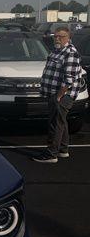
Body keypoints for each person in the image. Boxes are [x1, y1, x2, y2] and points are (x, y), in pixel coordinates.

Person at [33, 26, 83, 164]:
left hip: (62, 95)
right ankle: (63, 149)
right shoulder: (56, 51)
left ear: (68, 38)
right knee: (61, 121)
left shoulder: (70, 53)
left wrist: (59, 95)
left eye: (61, 36)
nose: (57, 38)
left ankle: (51, 154)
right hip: (54, 93)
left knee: (56, 123)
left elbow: (69, 79)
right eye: (55, 36)